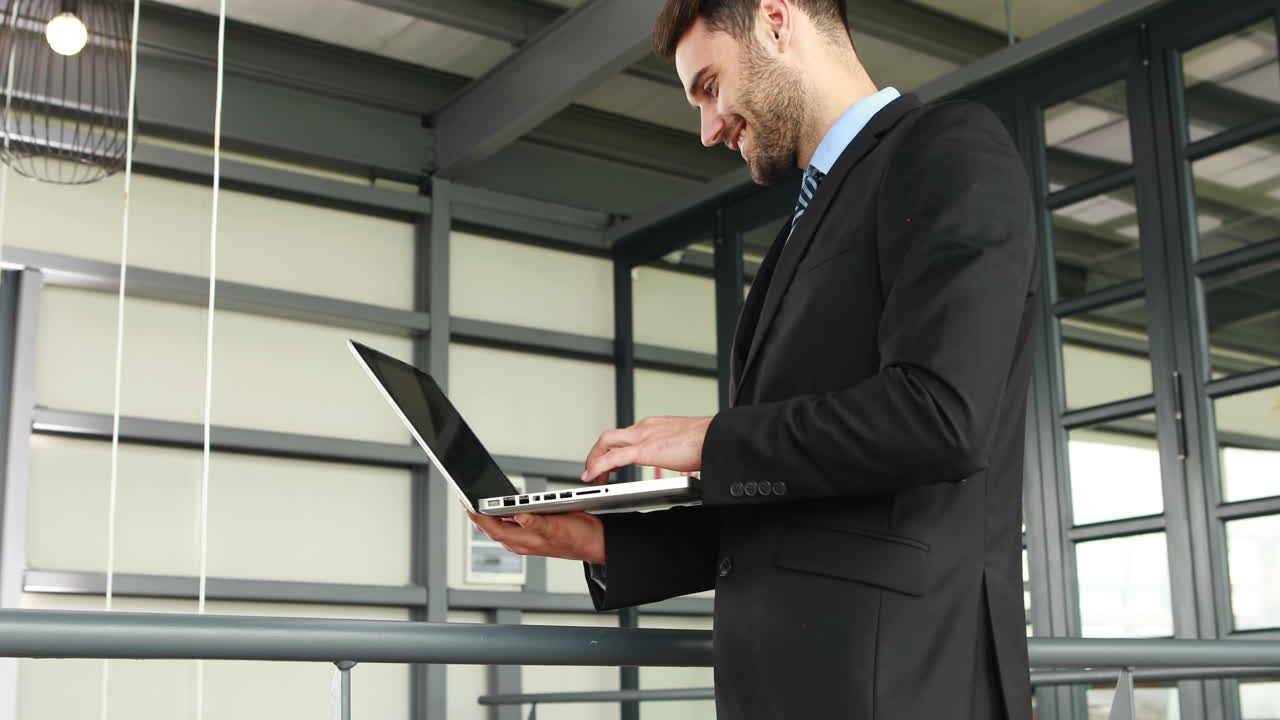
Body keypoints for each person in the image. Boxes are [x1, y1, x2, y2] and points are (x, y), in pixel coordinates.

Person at [467, 0, 1038, 717]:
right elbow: (798, 497)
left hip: (896, 688)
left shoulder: (947, 149)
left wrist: (711, 439)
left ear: (775, 20)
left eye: (709, 85)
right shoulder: (809, 223)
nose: (708, 129)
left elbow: (942, 416)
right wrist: (597, 539)